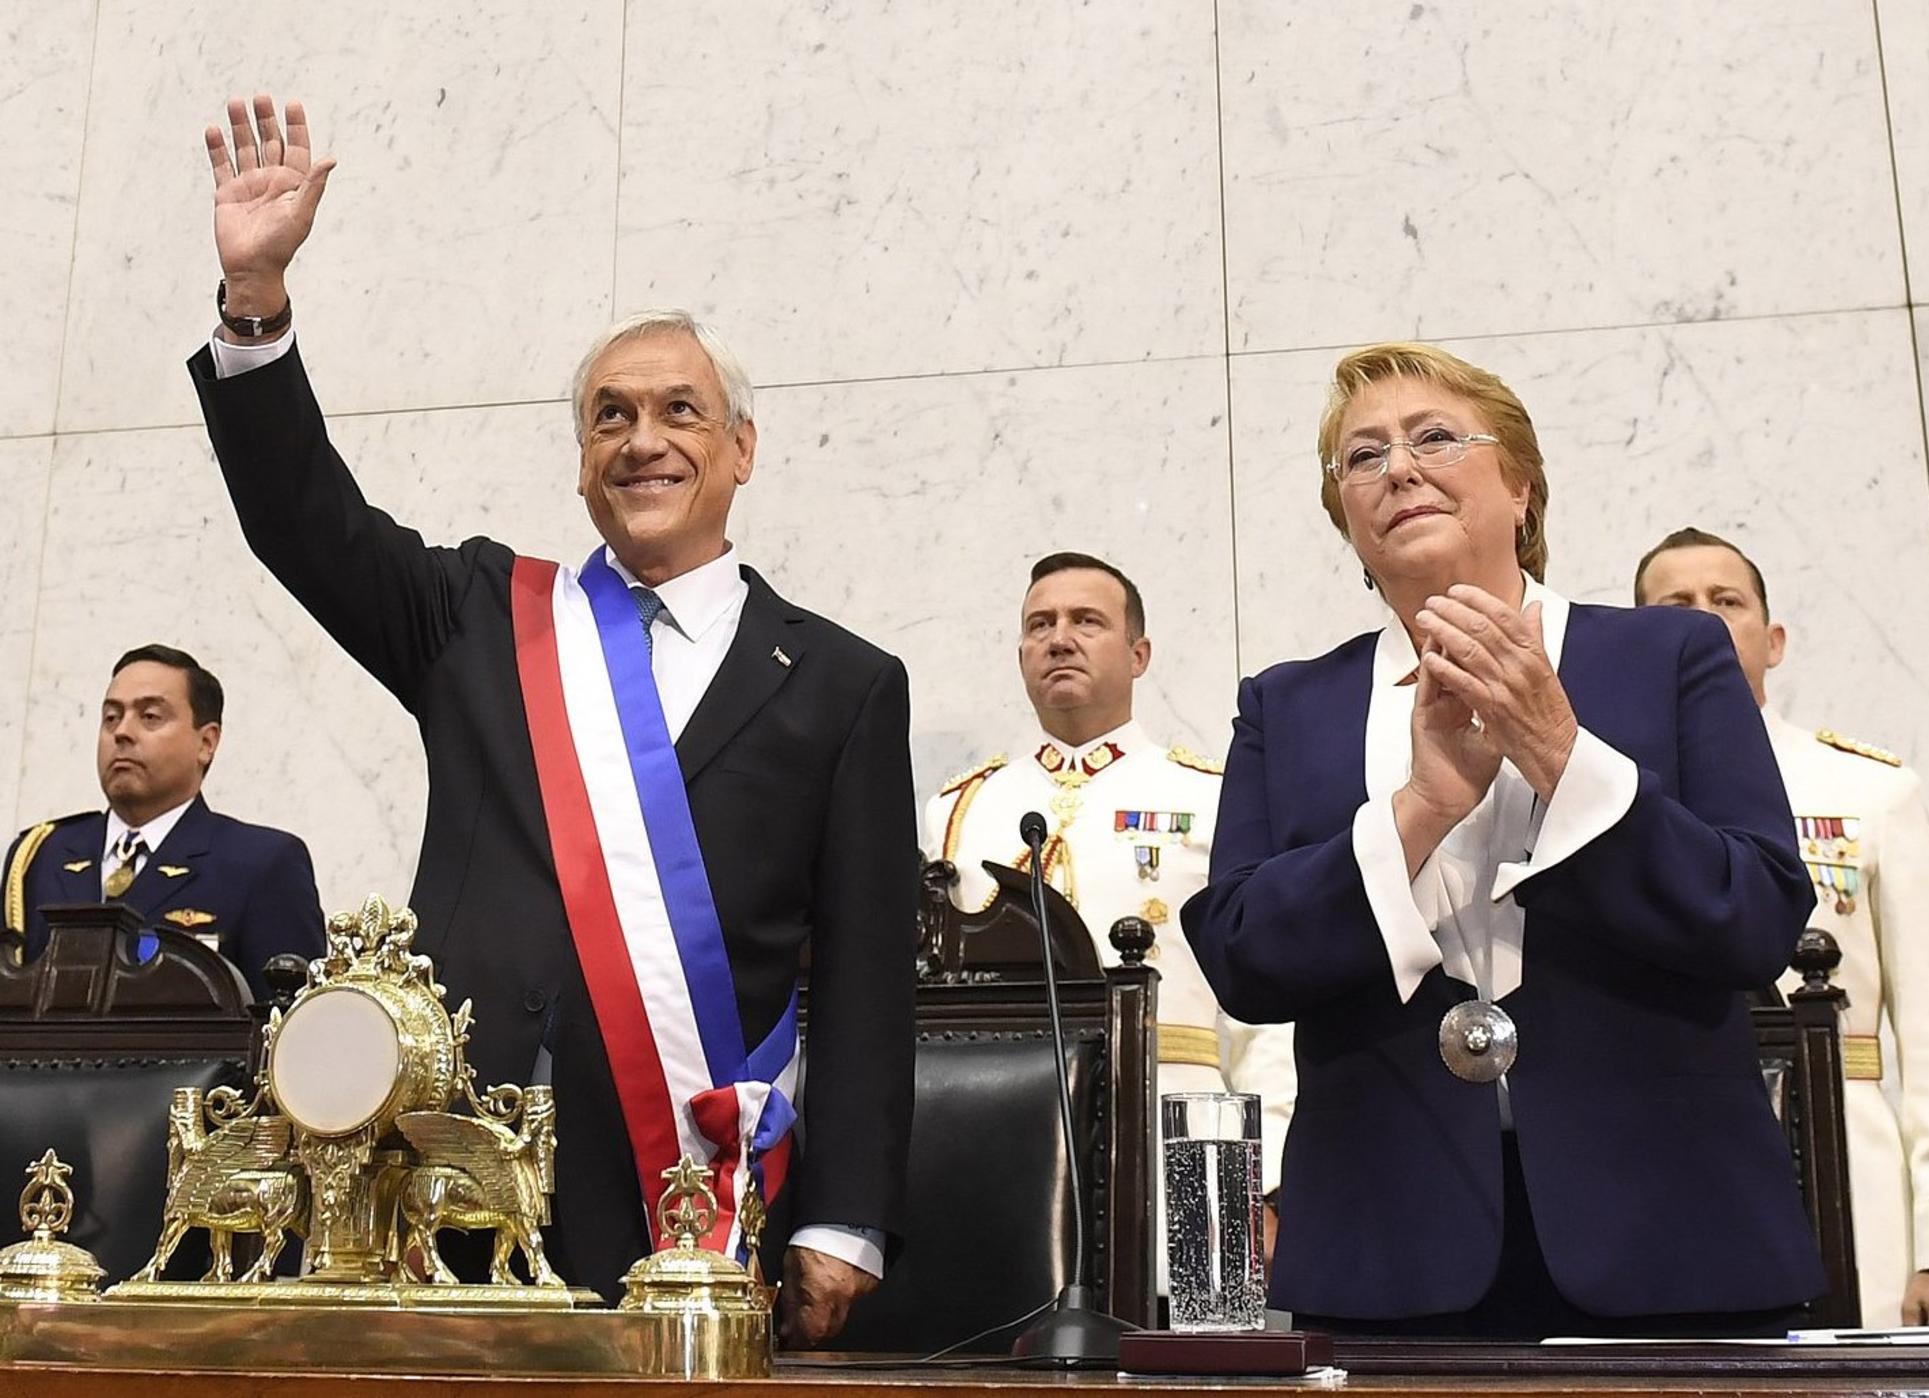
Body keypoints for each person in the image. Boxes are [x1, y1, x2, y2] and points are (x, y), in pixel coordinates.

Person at [185, 95, 916, 1340]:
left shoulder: (843, 682)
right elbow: (302, 519)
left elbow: (860, 977)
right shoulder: (482, 618)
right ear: (581, 461)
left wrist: (842, 1219)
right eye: (610, 417)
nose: (642, 441)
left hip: (685, 1195)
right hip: (441, 1182)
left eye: (679, 412)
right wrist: (256, 300)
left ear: (742, 449)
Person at [1183, 342, 1825, 1337]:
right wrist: (1418, 811)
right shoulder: (1287, 703)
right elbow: (1241, 958)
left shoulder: (1665, 655)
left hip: (1671, 1238)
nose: (1396, 469)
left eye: (1434, 437)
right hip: (1383, 1249)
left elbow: (1753, 920)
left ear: (1521, 488)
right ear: (1348, 523)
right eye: (1361, 457)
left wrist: (1559, 753)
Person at [1635, 527, 1929, 1327]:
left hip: (1850, 1174)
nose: (1703, 620)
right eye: (1676, 605)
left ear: (1774, 640)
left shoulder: (1870, 792)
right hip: (1657, 1174)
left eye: (1726, 601)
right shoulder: (1610, 801)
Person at [920, 551, 1297, 1271]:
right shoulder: (960, 808)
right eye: (1041, 624)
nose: (1059, 638)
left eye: (1087, 621)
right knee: (999, 1346)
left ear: (1138, 653)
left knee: (1187, 1351)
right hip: (1002, 1138)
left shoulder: (1213, 799)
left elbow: (1268, 1008)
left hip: (1188, 1134)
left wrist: (1267, 1178)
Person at [3, 645, 324, 1000]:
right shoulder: (42, 855)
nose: (122, 732)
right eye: (111, 717)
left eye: (150, 716)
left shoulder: (259, 864)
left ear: (206, 742)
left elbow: (289, 1027)